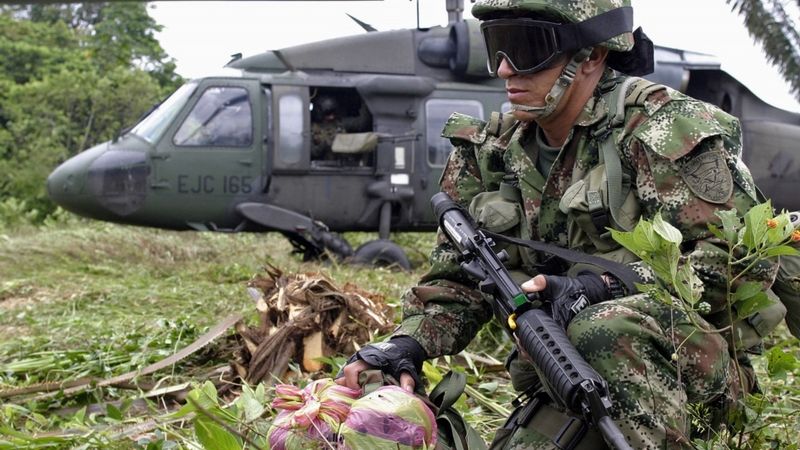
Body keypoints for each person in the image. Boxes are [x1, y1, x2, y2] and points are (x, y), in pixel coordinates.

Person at [336, 0, 784, 448]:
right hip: (563, 374)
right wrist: (406, 346)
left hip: (689, 374)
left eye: (526, 48)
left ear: (591, 55)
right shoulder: (490, 152)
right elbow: (458, 283)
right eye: (496, 47)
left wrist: (600, 287)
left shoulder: (662, 130)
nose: (505, 70)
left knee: (603, 326)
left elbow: (732, 265)